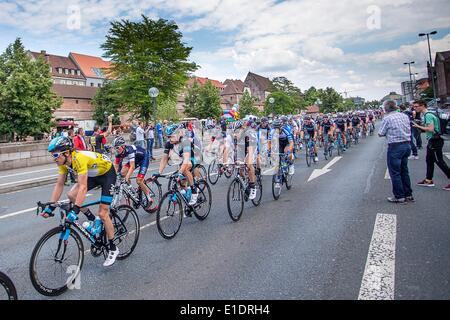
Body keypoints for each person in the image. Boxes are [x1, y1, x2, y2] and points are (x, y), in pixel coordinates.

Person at [43, 136, 119, 266]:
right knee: (71, 194)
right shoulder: (63, 163)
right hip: (93, 174)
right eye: (52, 155)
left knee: (103, 213)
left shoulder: (79, 158)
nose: (54, 158)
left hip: (107, 174)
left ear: (66, 153)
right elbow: (59, 184)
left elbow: (83, 187)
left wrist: (76, 210)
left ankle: (113, 248)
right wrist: (51, 206)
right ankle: (92, 219)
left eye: (55, 155)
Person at [378, 100, 414, 203]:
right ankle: (408, 194)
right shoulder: (404, 116)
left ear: (385, 109)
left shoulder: (387, 118)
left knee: (395, 172)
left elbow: (381, 133)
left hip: (395, 147)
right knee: (404, 171)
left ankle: (399, 196)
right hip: (407, 144)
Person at [155, 124, 199, 206]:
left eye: (171, 136)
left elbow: (186, 160)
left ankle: (194, 190)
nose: (169, 139)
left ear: (178, 134)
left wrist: (180, 172)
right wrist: (159, 172)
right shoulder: (169, 144)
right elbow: (164, 159)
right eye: (168, 137)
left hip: (192, 158)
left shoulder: (185, 142)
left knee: (185, 168)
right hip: (182, 161)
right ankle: (188, 199)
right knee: (182, 185)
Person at [412, 100, 450, 190]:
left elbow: (431, 129)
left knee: (439, 161)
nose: (415, 108)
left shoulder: (428, 115)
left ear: (423, 106)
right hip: (432, 140)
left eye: (416, 106)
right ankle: (428, 180)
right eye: (414, 106)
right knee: (429, 160)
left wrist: (418, 126)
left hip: (435, 141)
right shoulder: (427, 114)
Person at [112, 136, 154, 209]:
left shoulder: (130, 150)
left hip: (144, 158)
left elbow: (132, 167)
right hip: (135, 159)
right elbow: (116, 166)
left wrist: (127, 177)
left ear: (123, 146)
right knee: (122, 172)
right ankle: (131, 189)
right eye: (115, 148)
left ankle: (149, 197)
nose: (116, 150)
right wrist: (113, 177)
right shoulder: (118, 154)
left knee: (139, 181)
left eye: (117, 147)